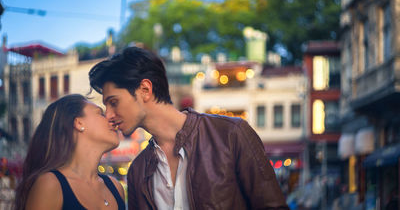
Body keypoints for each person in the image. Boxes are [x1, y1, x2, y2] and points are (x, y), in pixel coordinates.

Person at [89, 46, 289, 210]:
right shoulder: (137, 172)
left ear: (145, 90)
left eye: (113, 102)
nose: (109, 115)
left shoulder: (230, 135)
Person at [14, 94, 125, 210]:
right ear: (79, 123)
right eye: (100, 113)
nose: (111, 119)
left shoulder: (116, 187)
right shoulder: (50, 184)